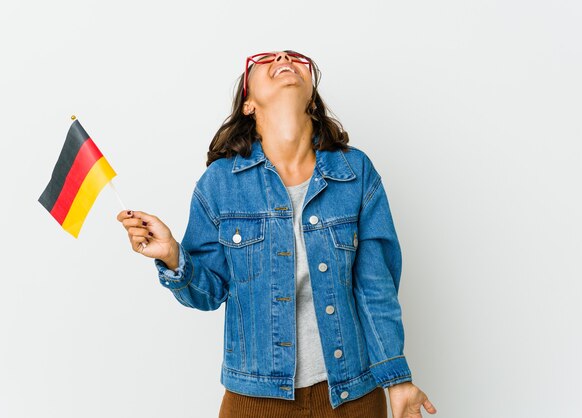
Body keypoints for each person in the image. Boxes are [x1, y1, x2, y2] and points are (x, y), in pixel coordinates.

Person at [117, 50, 436, 418]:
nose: (283, 57)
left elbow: (375, 287)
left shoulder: (355, 172)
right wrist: (172, 255)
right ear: (248, 103)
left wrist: (397, 380)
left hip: (352, 397)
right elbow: (208, 293)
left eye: (295, 57)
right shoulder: (219, 184)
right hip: (254, 401)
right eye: (265, 59)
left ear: (312, 97)